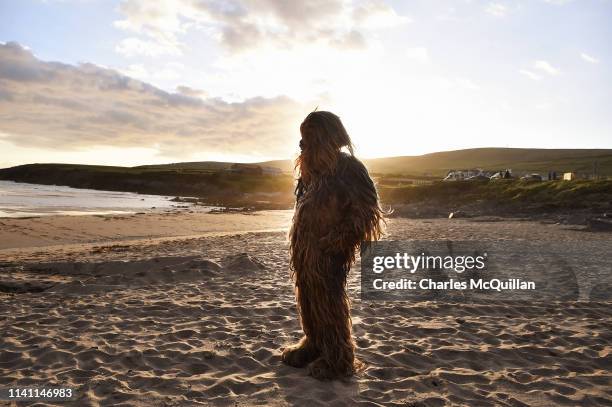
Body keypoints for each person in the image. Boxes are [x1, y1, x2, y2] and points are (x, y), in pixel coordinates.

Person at [282, 110, 385, 380]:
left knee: (329, 300)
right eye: (301, 138)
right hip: (305, 249)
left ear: (324, 137)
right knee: (307, 295)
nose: (302, 144)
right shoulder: (312, 169)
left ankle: (338, 357)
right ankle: (314, 343)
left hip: (330, 250)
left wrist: (337, 241)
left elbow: (367, 211)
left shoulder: (349, 168)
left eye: (308, 138)